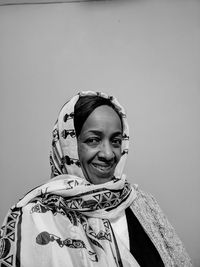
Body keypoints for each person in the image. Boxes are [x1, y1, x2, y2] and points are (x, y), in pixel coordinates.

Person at [0, 91, 192, 267]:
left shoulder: (143, 204)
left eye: (116, 141)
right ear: (68, 144)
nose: (108, 154)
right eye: (93, 140)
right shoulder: (34, 218)